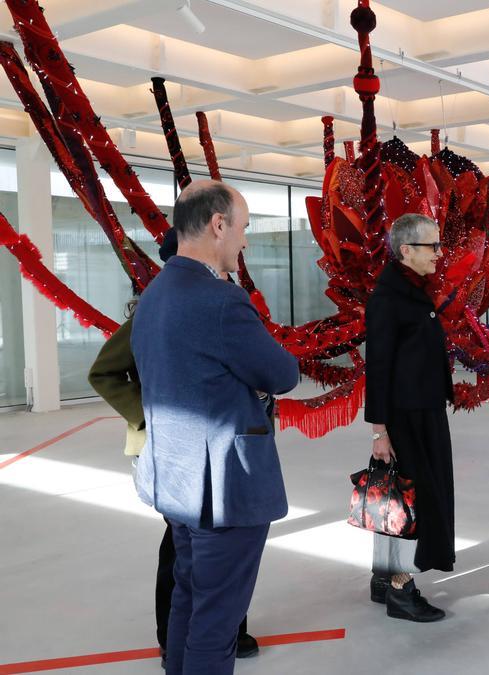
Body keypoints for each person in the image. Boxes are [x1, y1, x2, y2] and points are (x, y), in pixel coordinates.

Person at [132, 181, 299, 674]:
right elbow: (283, 373)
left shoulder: (156, 293)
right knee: (217, 622)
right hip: (222, 490)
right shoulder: (220, 301)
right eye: (243, 228)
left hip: (175, 482)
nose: (244, 241)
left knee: (189, 598)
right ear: (217, 224)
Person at [88, 229, 258, 667]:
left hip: (216, 446)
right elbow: (105, 373)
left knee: (210, 551)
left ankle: (225, 629)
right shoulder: (156, 311)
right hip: (168, 447)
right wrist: (147, 414)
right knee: (182, 552)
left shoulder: (224, 302)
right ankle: (174, 637)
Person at [364, 213, 456, 623]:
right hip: (407, 418)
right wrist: (379, 430)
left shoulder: (412, 289)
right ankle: (401, 589)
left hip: (423, 410)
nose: (439, 253)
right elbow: (378, 366)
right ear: (406, 251)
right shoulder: (390, 297)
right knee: (411, 500)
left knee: (398, 497)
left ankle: (384, 579)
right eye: (431, 246)